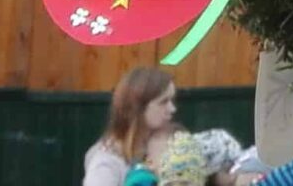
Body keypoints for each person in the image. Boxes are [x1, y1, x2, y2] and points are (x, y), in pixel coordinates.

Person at [86, 66, 250, 186]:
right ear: (137, 107)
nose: (172, 109)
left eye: (172, 100)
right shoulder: (106, 163)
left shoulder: (168, 144)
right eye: (163, 102)